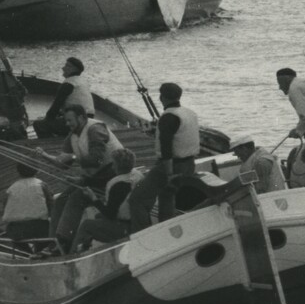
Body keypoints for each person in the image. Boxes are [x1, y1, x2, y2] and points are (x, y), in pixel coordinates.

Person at [125, 81, 203, 229]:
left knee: (137, 199)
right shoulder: (190, 113)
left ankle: (143, 232)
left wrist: (168, 173)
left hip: (171, 166)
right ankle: (166, 229)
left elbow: (166, 147)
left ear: (162, 97)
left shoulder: (168, 117)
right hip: (189, 164)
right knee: (167, 197)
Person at [51, 105, 127, 250]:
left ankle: (63, 242)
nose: (67, 124)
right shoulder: (73, 134)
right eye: (65, 121)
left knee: (76, 198)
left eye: (69, 120)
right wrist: (48, 158)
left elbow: (96, 159)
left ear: (81, 118)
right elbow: (64, 164)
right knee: (61, 199)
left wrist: (71, 156)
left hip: (112, 175)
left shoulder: (95, 129)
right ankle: (52, 241)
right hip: (95, 176)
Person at [35, 56, 97, 136]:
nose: (63, 68)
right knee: (61, 120)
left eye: (67, 66)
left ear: (74, 69)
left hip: (77, 121)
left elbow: (55, 108)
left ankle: (50, 142)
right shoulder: (82, 81)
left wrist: (46, 119)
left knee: (39, 125)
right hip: (89, 119)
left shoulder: (68, 84)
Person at [0, 169, 53, 242]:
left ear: (18, 173)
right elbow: (51, 205)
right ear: (37, 171)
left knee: (12, 232)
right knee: (47, 229)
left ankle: (26, 251)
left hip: (15, 230)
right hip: (39, 229)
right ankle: (41, 250)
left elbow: (5, 208)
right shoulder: (42, 185)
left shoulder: (11, 188)